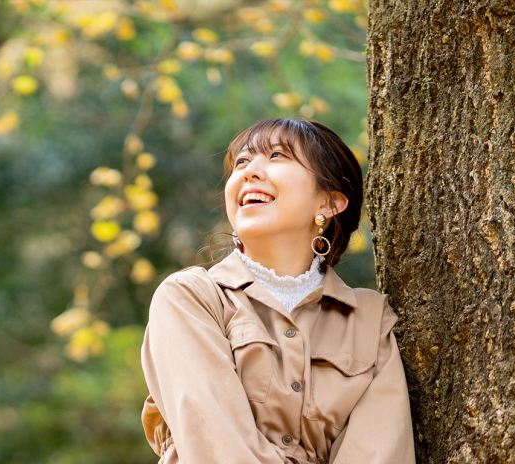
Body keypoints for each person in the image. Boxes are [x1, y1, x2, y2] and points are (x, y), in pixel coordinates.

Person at [140, 118, 415, 464]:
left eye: (277, 157)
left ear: (330, 203)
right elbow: (215, 443)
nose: (249, 172)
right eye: (242, 162)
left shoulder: (371, 319)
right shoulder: (189, 298)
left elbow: (382, 452)